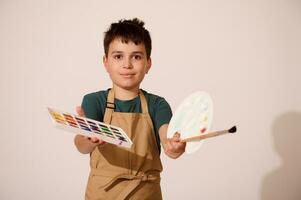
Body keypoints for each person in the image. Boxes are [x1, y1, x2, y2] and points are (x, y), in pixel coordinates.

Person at [74, 18, 186, 200]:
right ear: (106, 62)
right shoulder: (94, 101)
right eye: (118, 56)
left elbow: (167, 138)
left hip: (146, 194)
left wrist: (173, 145)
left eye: (136, 56)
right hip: (102, 194)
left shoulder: (157, 105)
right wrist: (89, 138)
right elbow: (81, 145)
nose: (127, 64)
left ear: (148, 63)